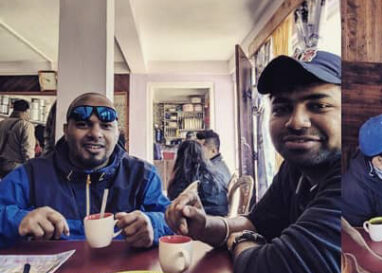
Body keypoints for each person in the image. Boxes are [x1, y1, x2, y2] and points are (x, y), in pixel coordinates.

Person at [166, 49, 341, 273]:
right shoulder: (295, 169)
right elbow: (257, 223)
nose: (296, 121)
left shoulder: (352, 179)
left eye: (319, 105)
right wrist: (206, 225)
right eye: (282, 108)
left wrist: (240, 240)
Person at [0, 92, 172, 247]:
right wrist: (19, 220)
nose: (95, 133)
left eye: (106, 126)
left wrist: (152, 224)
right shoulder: (31, 174)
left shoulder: (142, 175)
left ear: (117, 133)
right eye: (83, 124)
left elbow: (172, 221)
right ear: (66, 131)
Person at [168, 139, 228, 217]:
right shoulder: (215, 175)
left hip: (200, 220)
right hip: (221, 219)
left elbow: (174, 202)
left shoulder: (185, 178)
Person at [0, 100, 34, 177]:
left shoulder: (2, 123)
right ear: (27, 111)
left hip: (2, 166)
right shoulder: (26, 125)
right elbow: (28, 151)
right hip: (16, 169)